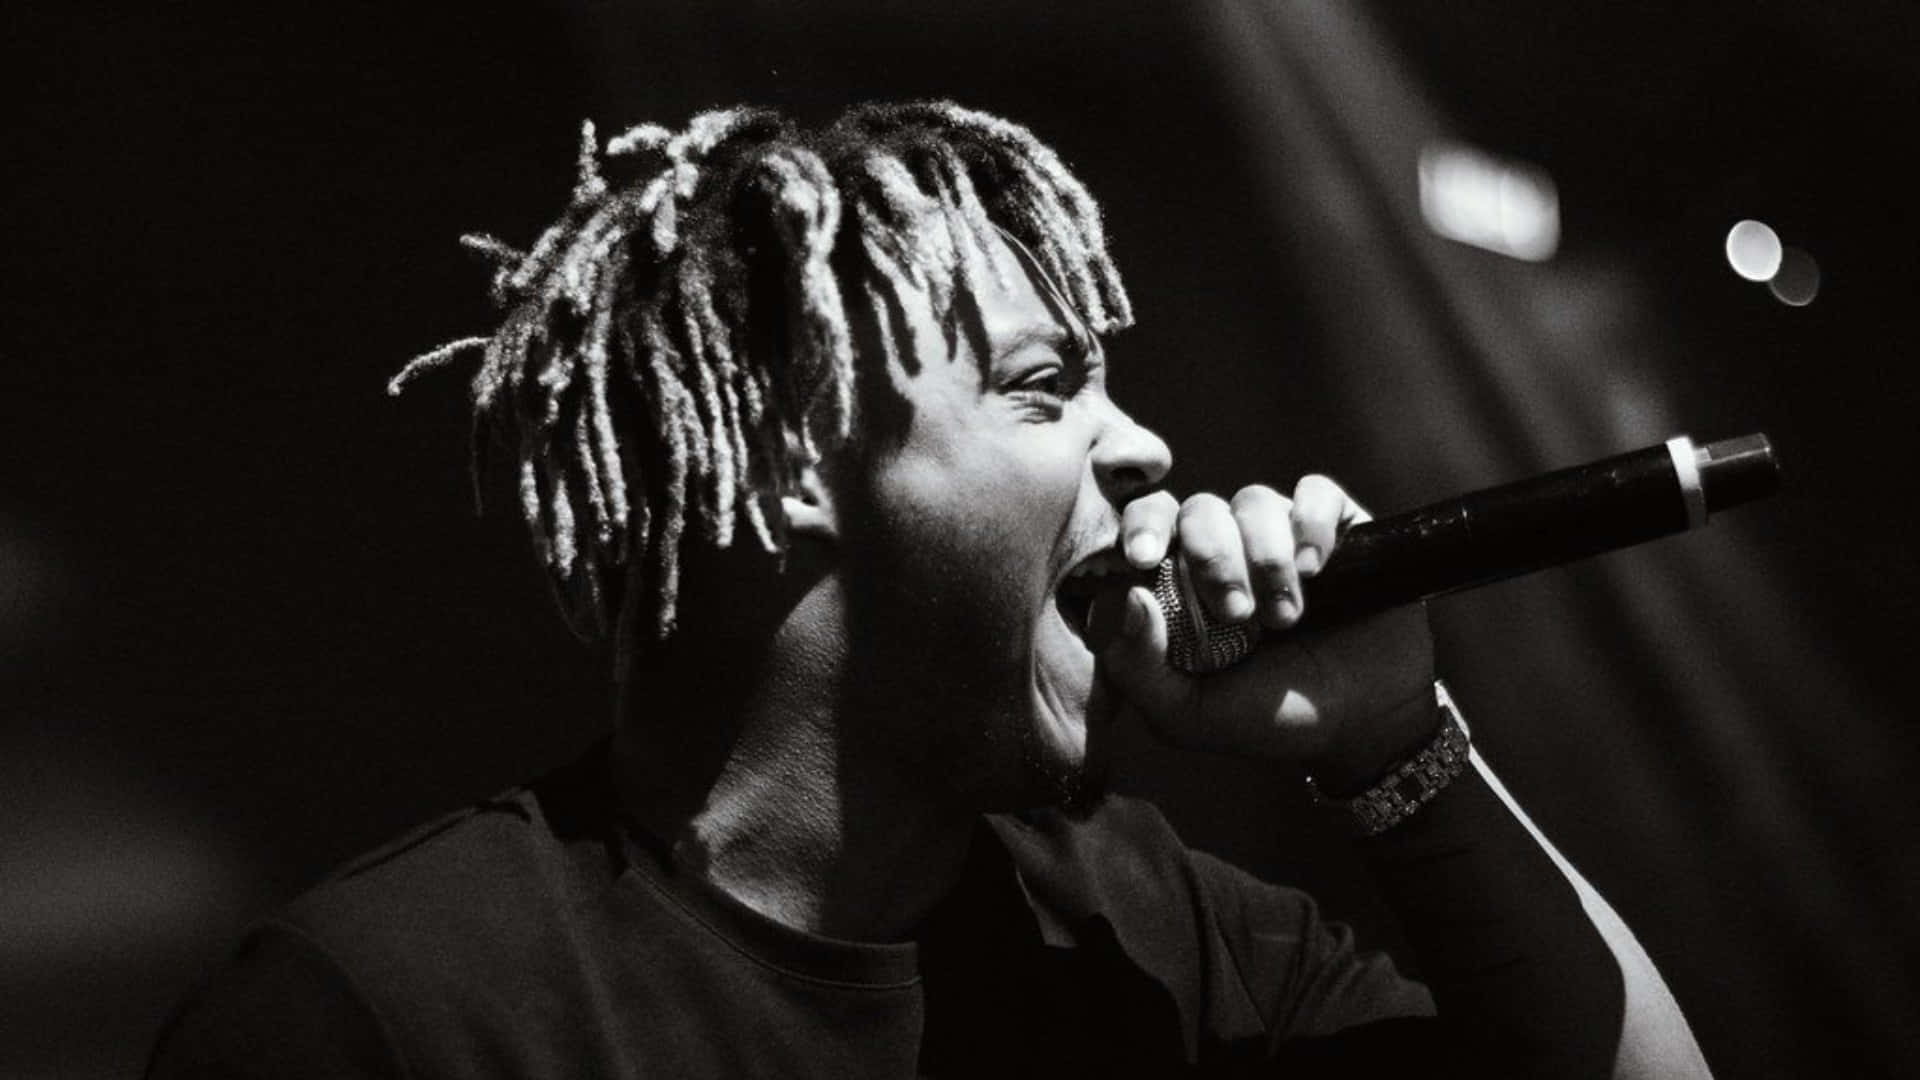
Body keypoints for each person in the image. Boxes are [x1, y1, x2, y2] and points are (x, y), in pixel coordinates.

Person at [146, 101, 1711, 1078]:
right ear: (790, 462)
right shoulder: (388, 1018)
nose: (1146, 448)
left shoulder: (1149, 929)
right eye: (1045, 388)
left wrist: (1393, 742)